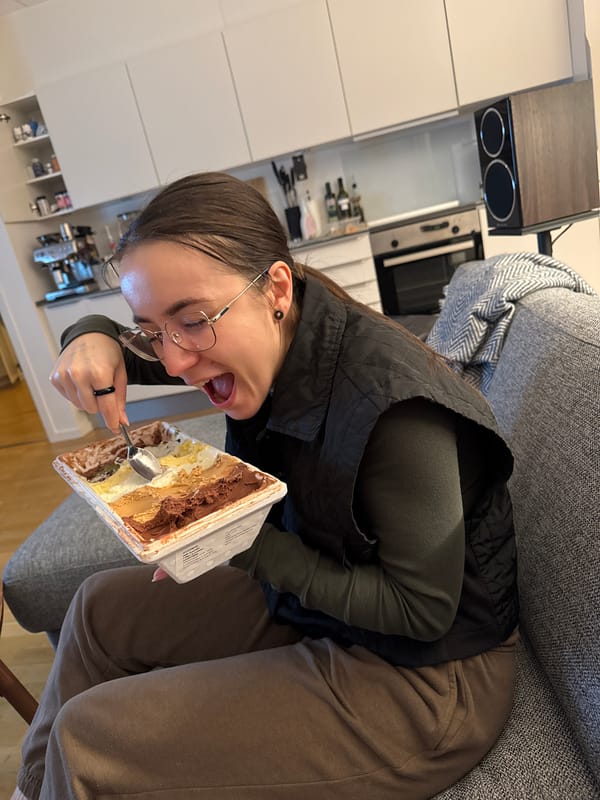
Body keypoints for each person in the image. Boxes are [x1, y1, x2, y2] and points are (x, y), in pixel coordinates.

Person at [13, 172, 519, 800]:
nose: (172, 362)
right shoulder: (274, 328)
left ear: (275, 287)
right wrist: (86, 331)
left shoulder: (394, 408)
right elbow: (124, 347)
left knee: (87, 738)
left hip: (431, 677)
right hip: (330, 597)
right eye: (151, 327)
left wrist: (238, 538)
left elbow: (421, 612)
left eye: (192, 321)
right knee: (93, 611)